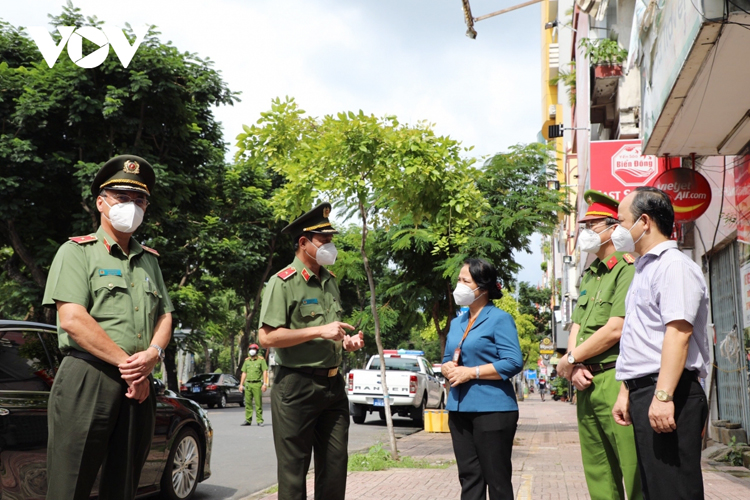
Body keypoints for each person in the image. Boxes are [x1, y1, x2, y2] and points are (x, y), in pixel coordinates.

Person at [42, 155, 173, 500]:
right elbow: (72, 318)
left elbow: (165, 316)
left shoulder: (150, 260)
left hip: (138, 384)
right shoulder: (76, 252)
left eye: (140, 199)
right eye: (122, 197)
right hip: (88, 378)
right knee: (69, 485)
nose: (132, 206)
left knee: (125, 484)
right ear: (101, 203)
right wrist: (130, 366)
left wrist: (153, 355)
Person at [258, 202, 365, 500]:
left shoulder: (330, 282)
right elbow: (266, 337)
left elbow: (332, 332)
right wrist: (319, 330)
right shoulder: (282, 283)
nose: (330, 245)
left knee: (334, 467)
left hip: (333, 385)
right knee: (294, 472)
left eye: (331, 238)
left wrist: (346, 342)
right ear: (303, 243)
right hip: (296, 386)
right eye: (324, 240)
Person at [612, 186, 710, 499]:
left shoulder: (673, 266)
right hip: (648, 391)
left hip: (671, 391)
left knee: (674, 490)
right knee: (657, 489)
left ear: (644, 222)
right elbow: (640, 339)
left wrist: (664, 395)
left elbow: (678, 334)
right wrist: (627, 389)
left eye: (621, 221)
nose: (618, 230)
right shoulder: (644, 268)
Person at [555, 190, 642, 500]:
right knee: (597, 467)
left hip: (614, 377)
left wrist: (571, 358)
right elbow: (576, 325)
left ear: (612, 227)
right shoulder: (590, 274)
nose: (586, 234)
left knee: (631, 465)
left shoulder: (627, 268)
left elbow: (615, 328)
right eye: (584, 226)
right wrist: (573, 363)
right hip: (585, 380)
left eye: (592, 226)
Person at [441, 258, 523, 500]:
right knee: (469, 478)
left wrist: (472, 372)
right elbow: (447, 357)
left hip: (493, 409)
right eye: (458, 280)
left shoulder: (500, 319)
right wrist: (448, 368)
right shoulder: (457, 322)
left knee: (496, 479)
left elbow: (513, 362)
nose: (460, 286)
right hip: (459, 408)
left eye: (466, 281)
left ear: (483, 288)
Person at [240, 343, 268, 426]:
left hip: (257, 384)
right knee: (248, 403)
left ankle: (259, 420)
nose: (252, 351)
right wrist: (241, 384)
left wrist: (265, 384)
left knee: (258, 403)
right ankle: (248, 420)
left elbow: (265, 371)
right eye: (251, 349)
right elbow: (244, 372)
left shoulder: (261, 360)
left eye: (254, 349)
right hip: (248, 384)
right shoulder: (247, 361)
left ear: (257, 351)